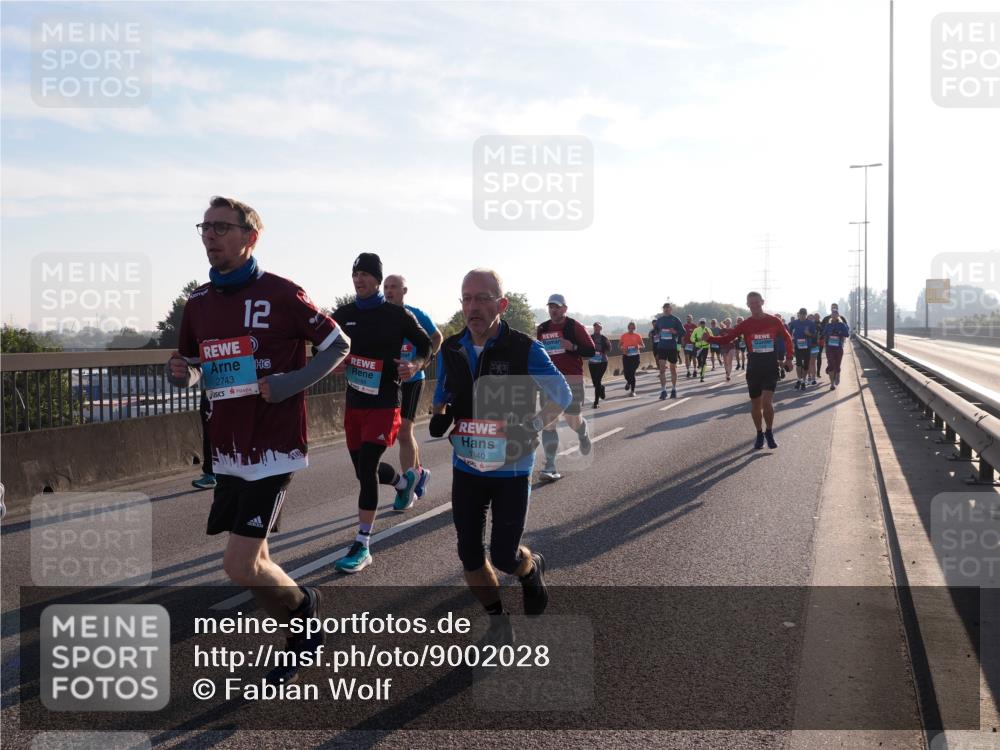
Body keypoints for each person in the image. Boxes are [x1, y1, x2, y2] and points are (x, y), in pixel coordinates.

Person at [169, 195, 351, 684]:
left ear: (250, 237)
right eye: (204, 228)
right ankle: (297, 627)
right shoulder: (199, 303)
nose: (210, 236)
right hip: (228, 450)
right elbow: (191, 366)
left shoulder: (282, 293)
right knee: (258, 561)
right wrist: (180, 374)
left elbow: (338, 344)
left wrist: (294, 381)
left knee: (239, 564)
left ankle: (304, 616)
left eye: (221, 228)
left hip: (273, 447)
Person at [430, 269, 571, 630]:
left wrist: (534, 426)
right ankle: (497, 618)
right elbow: (443, 390)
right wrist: (441, 413)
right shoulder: (450, 347)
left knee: (505, 556)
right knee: (470, 554)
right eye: (466, 298)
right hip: (466, 464)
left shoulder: (525, 348)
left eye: (482, 298)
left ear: (501, 304)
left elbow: (563, 396)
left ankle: (530, 567)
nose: (472, 306)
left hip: (511, 467)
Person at [331, 253, 432, 573]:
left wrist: (414, 364)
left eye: (364, 274)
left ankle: (362, 544)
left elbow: (427, 344)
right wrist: (334, 363)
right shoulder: (342, 314)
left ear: (377, 279)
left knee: (368, 466)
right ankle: (403, 483)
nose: (358, 279)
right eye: (354, 274)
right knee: (364, 472)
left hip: (386, 401)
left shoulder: (396, 315)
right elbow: (326, 348)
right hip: (354, 403)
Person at [383, 274, 443, 510]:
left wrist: (422, 362)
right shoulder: (379, 315)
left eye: (394, 287)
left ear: (404, 291)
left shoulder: (416, 314)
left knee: (404, 431)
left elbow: (437, 337)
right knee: (402, 433)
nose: (389, 291)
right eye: (386, 287)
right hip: (389, 380)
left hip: (413, 378)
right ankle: (419, 473)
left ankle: (407, 484)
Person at [704, 292, 794, 449]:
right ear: (747, 305)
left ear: (762, 302)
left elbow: (787, 338)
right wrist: (709, 339)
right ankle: (759, 433)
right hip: (753, 368)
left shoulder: (774, 321)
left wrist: (789, 358)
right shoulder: (745, 324)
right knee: (755, 404)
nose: (754, 306)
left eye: (757, 303)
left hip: (770, 367)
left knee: (767, 402)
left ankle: (769, 432)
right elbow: (727, 338)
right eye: (751, 303)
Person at [535, 294, 596, 482]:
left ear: (564, 309)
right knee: (548, 422)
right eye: (551, 307)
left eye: (557, 307)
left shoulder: (573, 326)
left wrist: (572, 346)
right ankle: (550, 466)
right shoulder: (543, 328)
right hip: (550, 381)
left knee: (572, 420)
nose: (553, 310)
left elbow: (591, 350)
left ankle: (583, 433)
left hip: (572, 380)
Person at [652, 302, 685, 400]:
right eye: (665, 308)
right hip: (662, 346)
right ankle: (663, 390)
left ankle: (674, 389)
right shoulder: (660, 320)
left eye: (668, 308)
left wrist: (675, 332)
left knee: (673, 369)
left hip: (672, 347)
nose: (666, 309)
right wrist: (657, 334)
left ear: (671, 309)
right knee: (662, 369)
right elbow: (656, 330)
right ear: (663, 309)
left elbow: (683, 332)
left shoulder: (675, 319)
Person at [788, 308, 817, 390]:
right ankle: (799, 380)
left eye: (804, 314)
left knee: (806, 365)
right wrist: (791, 340)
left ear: (806, 315)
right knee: (798, 363)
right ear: (799, 314)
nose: (802, 316)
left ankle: (804, 381)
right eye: (801, 314)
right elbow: (789, 332)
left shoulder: (810, 323)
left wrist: (809, 334)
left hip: (807, 346)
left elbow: (814, 335)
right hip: (797, 346)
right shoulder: (794, 322)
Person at [192, 392, 216, 489]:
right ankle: (212, 474)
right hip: (214, 391)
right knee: (209, 434)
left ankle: (211, 475)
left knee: (210, 434)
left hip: (218, 391)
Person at [823, 312, 850, 389]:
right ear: (831, 316)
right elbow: (823, 333)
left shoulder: (842, 325)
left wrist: (839, 332)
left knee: (837, 365)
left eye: (835, 314)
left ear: (838, 316)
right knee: (831, 365)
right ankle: (832, 384)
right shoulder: (828, 325)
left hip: (838, 347)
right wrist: (828, 335)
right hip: (829, 348)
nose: (834, 316)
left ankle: (838, 374)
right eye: (833, 314)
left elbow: (847, 334)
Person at [589, 322, 611, 408]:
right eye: (595, 327)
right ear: (593, 328)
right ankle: (601, 388)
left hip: (602, 362)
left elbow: (609, 349)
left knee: (598, 380)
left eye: (598, 328)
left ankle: (596, 402)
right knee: (595, 383)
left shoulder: (604, 338)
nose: (596, 329)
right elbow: (586, 346)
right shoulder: (590, 337)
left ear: (601, 329)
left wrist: (603, 350)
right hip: (592, 362)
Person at [619, 322, 644, 396]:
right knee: (626, 373)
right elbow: (619, 345)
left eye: (633, 328)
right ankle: (629, 382)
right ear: (628, 328)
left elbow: (643, 345)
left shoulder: (637, 336)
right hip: (626, 356)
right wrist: (623, 349)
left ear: (635, 328)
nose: (631, 329)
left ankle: (632, 391)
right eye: (630, 327)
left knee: (632, 373)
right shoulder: (624, 336)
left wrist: (639, 347)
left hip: (635, 357)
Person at [690, 318, 711, 382]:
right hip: (698, 347)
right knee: (699, 360)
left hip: (705, 347)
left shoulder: (708, 329)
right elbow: (691, 338)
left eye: (703, 323)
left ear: (705, 323)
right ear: (699, 323)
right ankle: (699, 364)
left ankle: (702, 375)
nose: (702, 324)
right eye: (701, 323)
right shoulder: (696, 330)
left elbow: (712, 337)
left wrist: (708, 338)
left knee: (704, 361)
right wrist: (697, 340)